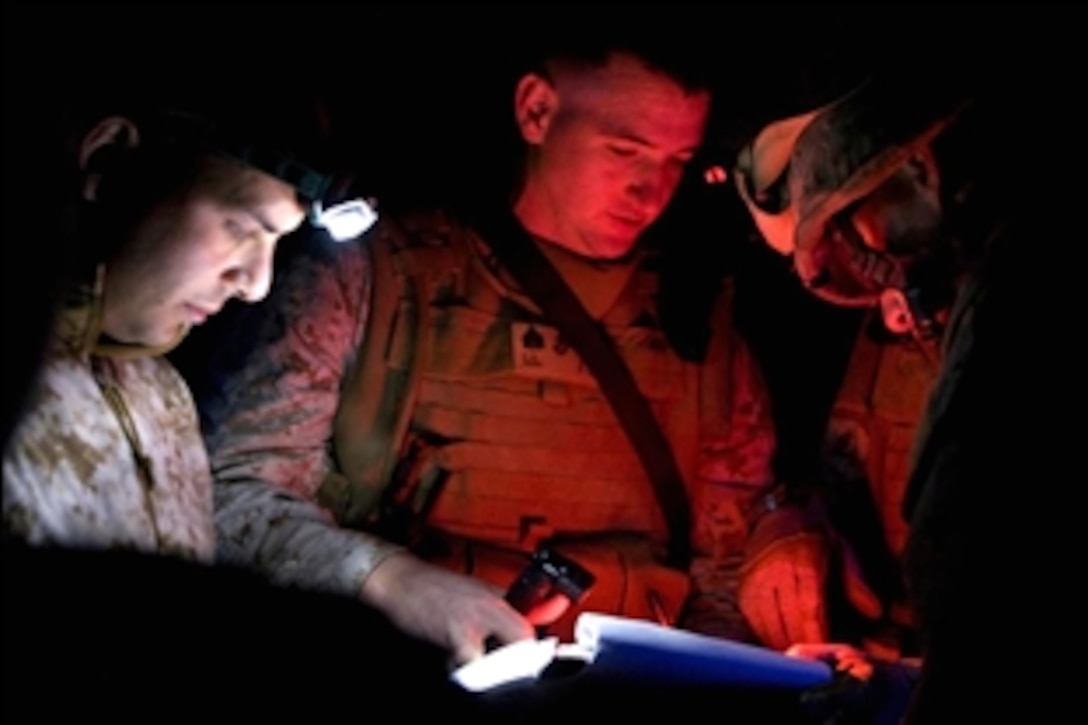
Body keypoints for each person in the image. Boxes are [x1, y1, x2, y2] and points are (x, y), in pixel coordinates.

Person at [180, 22, 786, 668]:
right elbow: (235, 497)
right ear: (536, 110)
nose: (652, 191)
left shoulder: (702, 334)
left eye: (676, 163)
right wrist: (389, 579)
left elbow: (726, 571)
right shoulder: (371, 278)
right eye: (623, 150)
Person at [730, 16, 1076, 721]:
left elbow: (995, 604)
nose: (884, 285)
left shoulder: (1020, 304)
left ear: (917, 166)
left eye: (860, 231)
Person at [0, 59, 375, 563]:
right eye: (240, 228)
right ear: (108, 159)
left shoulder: (168, 402)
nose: (257, 286)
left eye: (275, 244)